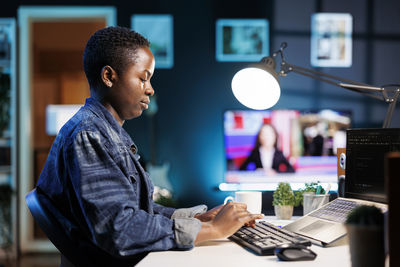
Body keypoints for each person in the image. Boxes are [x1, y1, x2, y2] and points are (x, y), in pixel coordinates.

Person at [36, 26, 263, 267]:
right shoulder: (89, 136)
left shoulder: (105, 132)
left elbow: (134, 211)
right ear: (109, 76)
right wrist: (213, 230)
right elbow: (120, 229)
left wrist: (197, 218)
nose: (150, 89)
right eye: (143, 78)